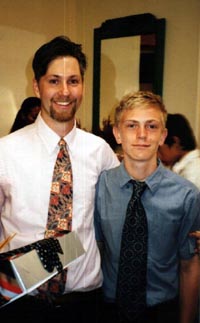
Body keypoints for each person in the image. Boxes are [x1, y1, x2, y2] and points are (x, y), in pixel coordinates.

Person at [0, 35, 119, 322]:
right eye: (54, 81)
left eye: (73, 81)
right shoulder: (5, 151)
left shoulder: (100, 151)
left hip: (85, 303)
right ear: (36, 85)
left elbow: (126, 208)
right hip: (20, 303)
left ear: (83, 86)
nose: (64, 91)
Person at [94, 91, 200, 323]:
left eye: (151, 127)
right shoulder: (101, 185)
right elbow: (95, 247)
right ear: (117, 133)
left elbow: (189, 265)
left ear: (163, 136)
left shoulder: (186, 195)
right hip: (109, 309)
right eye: (132, 126)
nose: (142, 135)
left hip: (162, 311)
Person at [158, 113, 200, 189]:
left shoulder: (194, 172)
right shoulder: (180, 167)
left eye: (158, 149)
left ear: (175, 142)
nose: (157, 155)